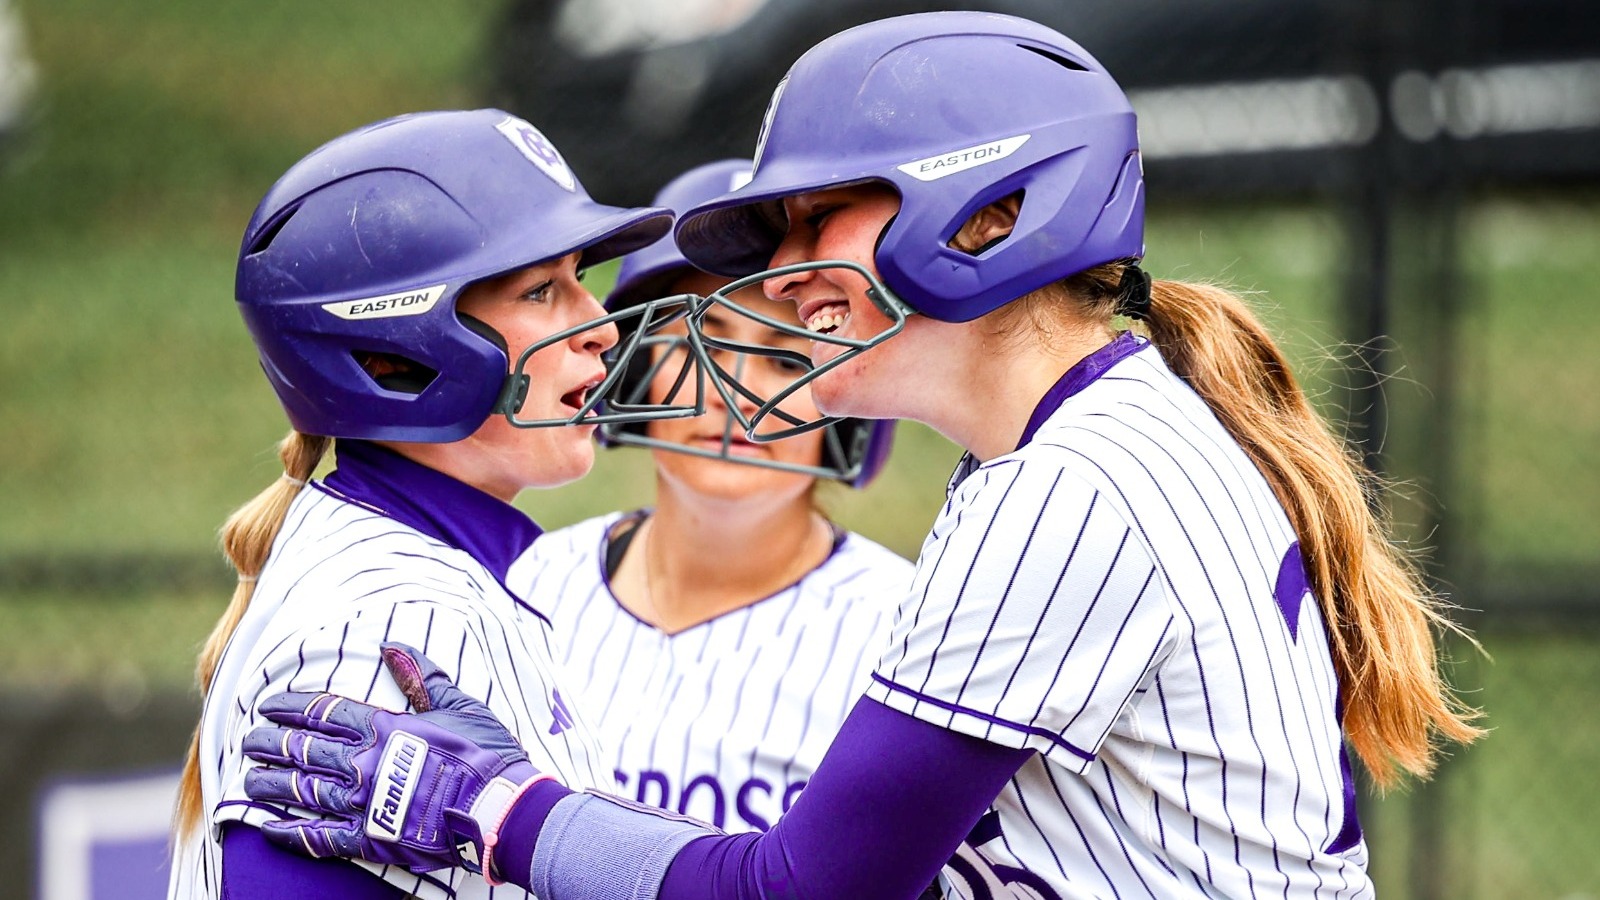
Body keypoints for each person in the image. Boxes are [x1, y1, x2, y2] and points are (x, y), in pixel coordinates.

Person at [238, 13, 1484, 899]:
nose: (782, 276)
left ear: (993, 213)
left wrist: (495, 809)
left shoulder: (1077, 484)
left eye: (816, 217)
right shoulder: (1092, 442)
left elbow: (806, 889)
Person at [166, 108, 701, 900]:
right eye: (541, 290)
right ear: (400, 350)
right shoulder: (386, 623)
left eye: (579, 280)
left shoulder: (423, 574)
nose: (600, 327)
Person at [522, 158, 911, 835]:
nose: (737, 395)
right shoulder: (528, 590)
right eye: (702, 345)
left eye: (785, 357)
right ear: (633, 365)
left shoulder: (905, 634)